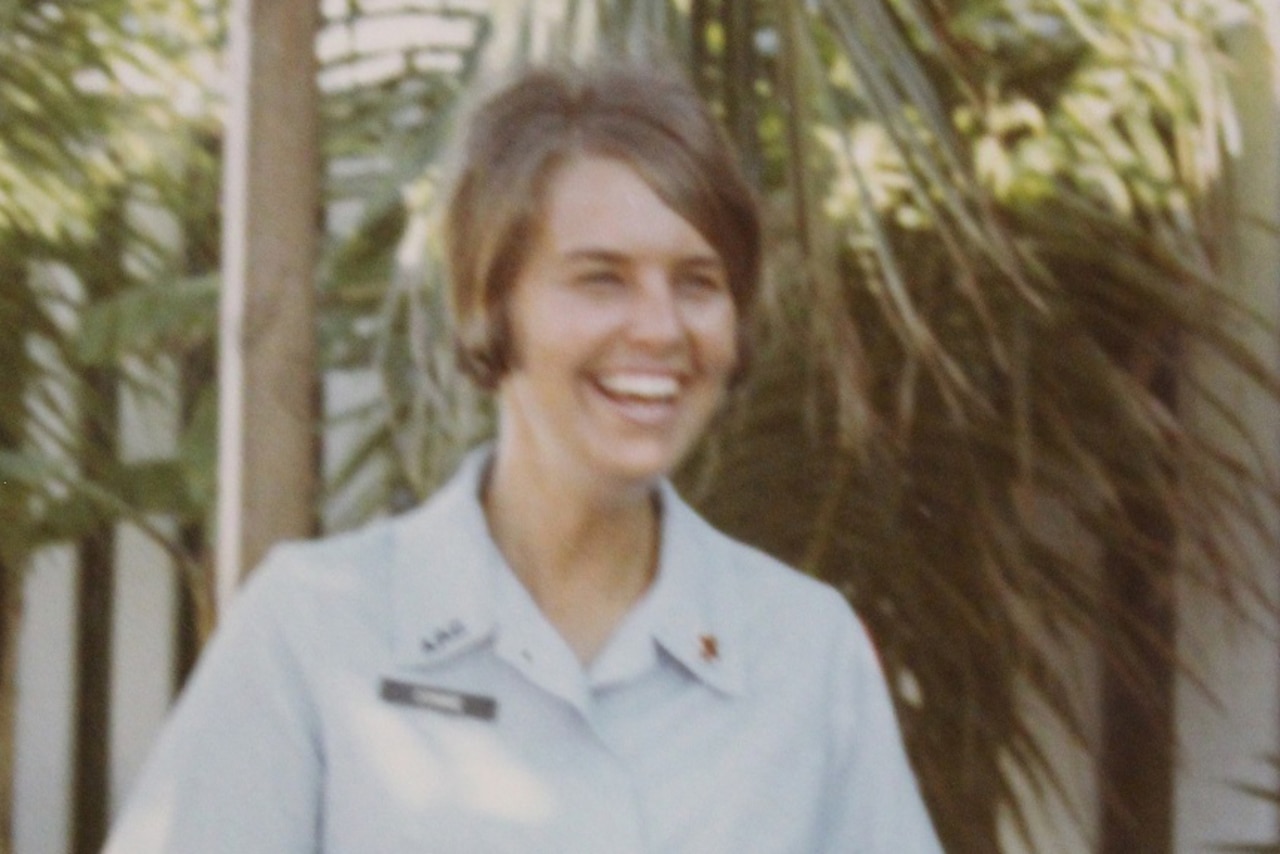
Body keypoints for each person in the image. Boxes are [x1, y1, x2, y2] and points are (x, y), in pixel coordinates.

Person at [103, 58, 943, 853]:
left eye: (698, 281)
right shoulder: (313, 629)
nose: (660, 328)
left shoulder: (807, 651)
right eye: (600, 278)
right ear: (490, 306)